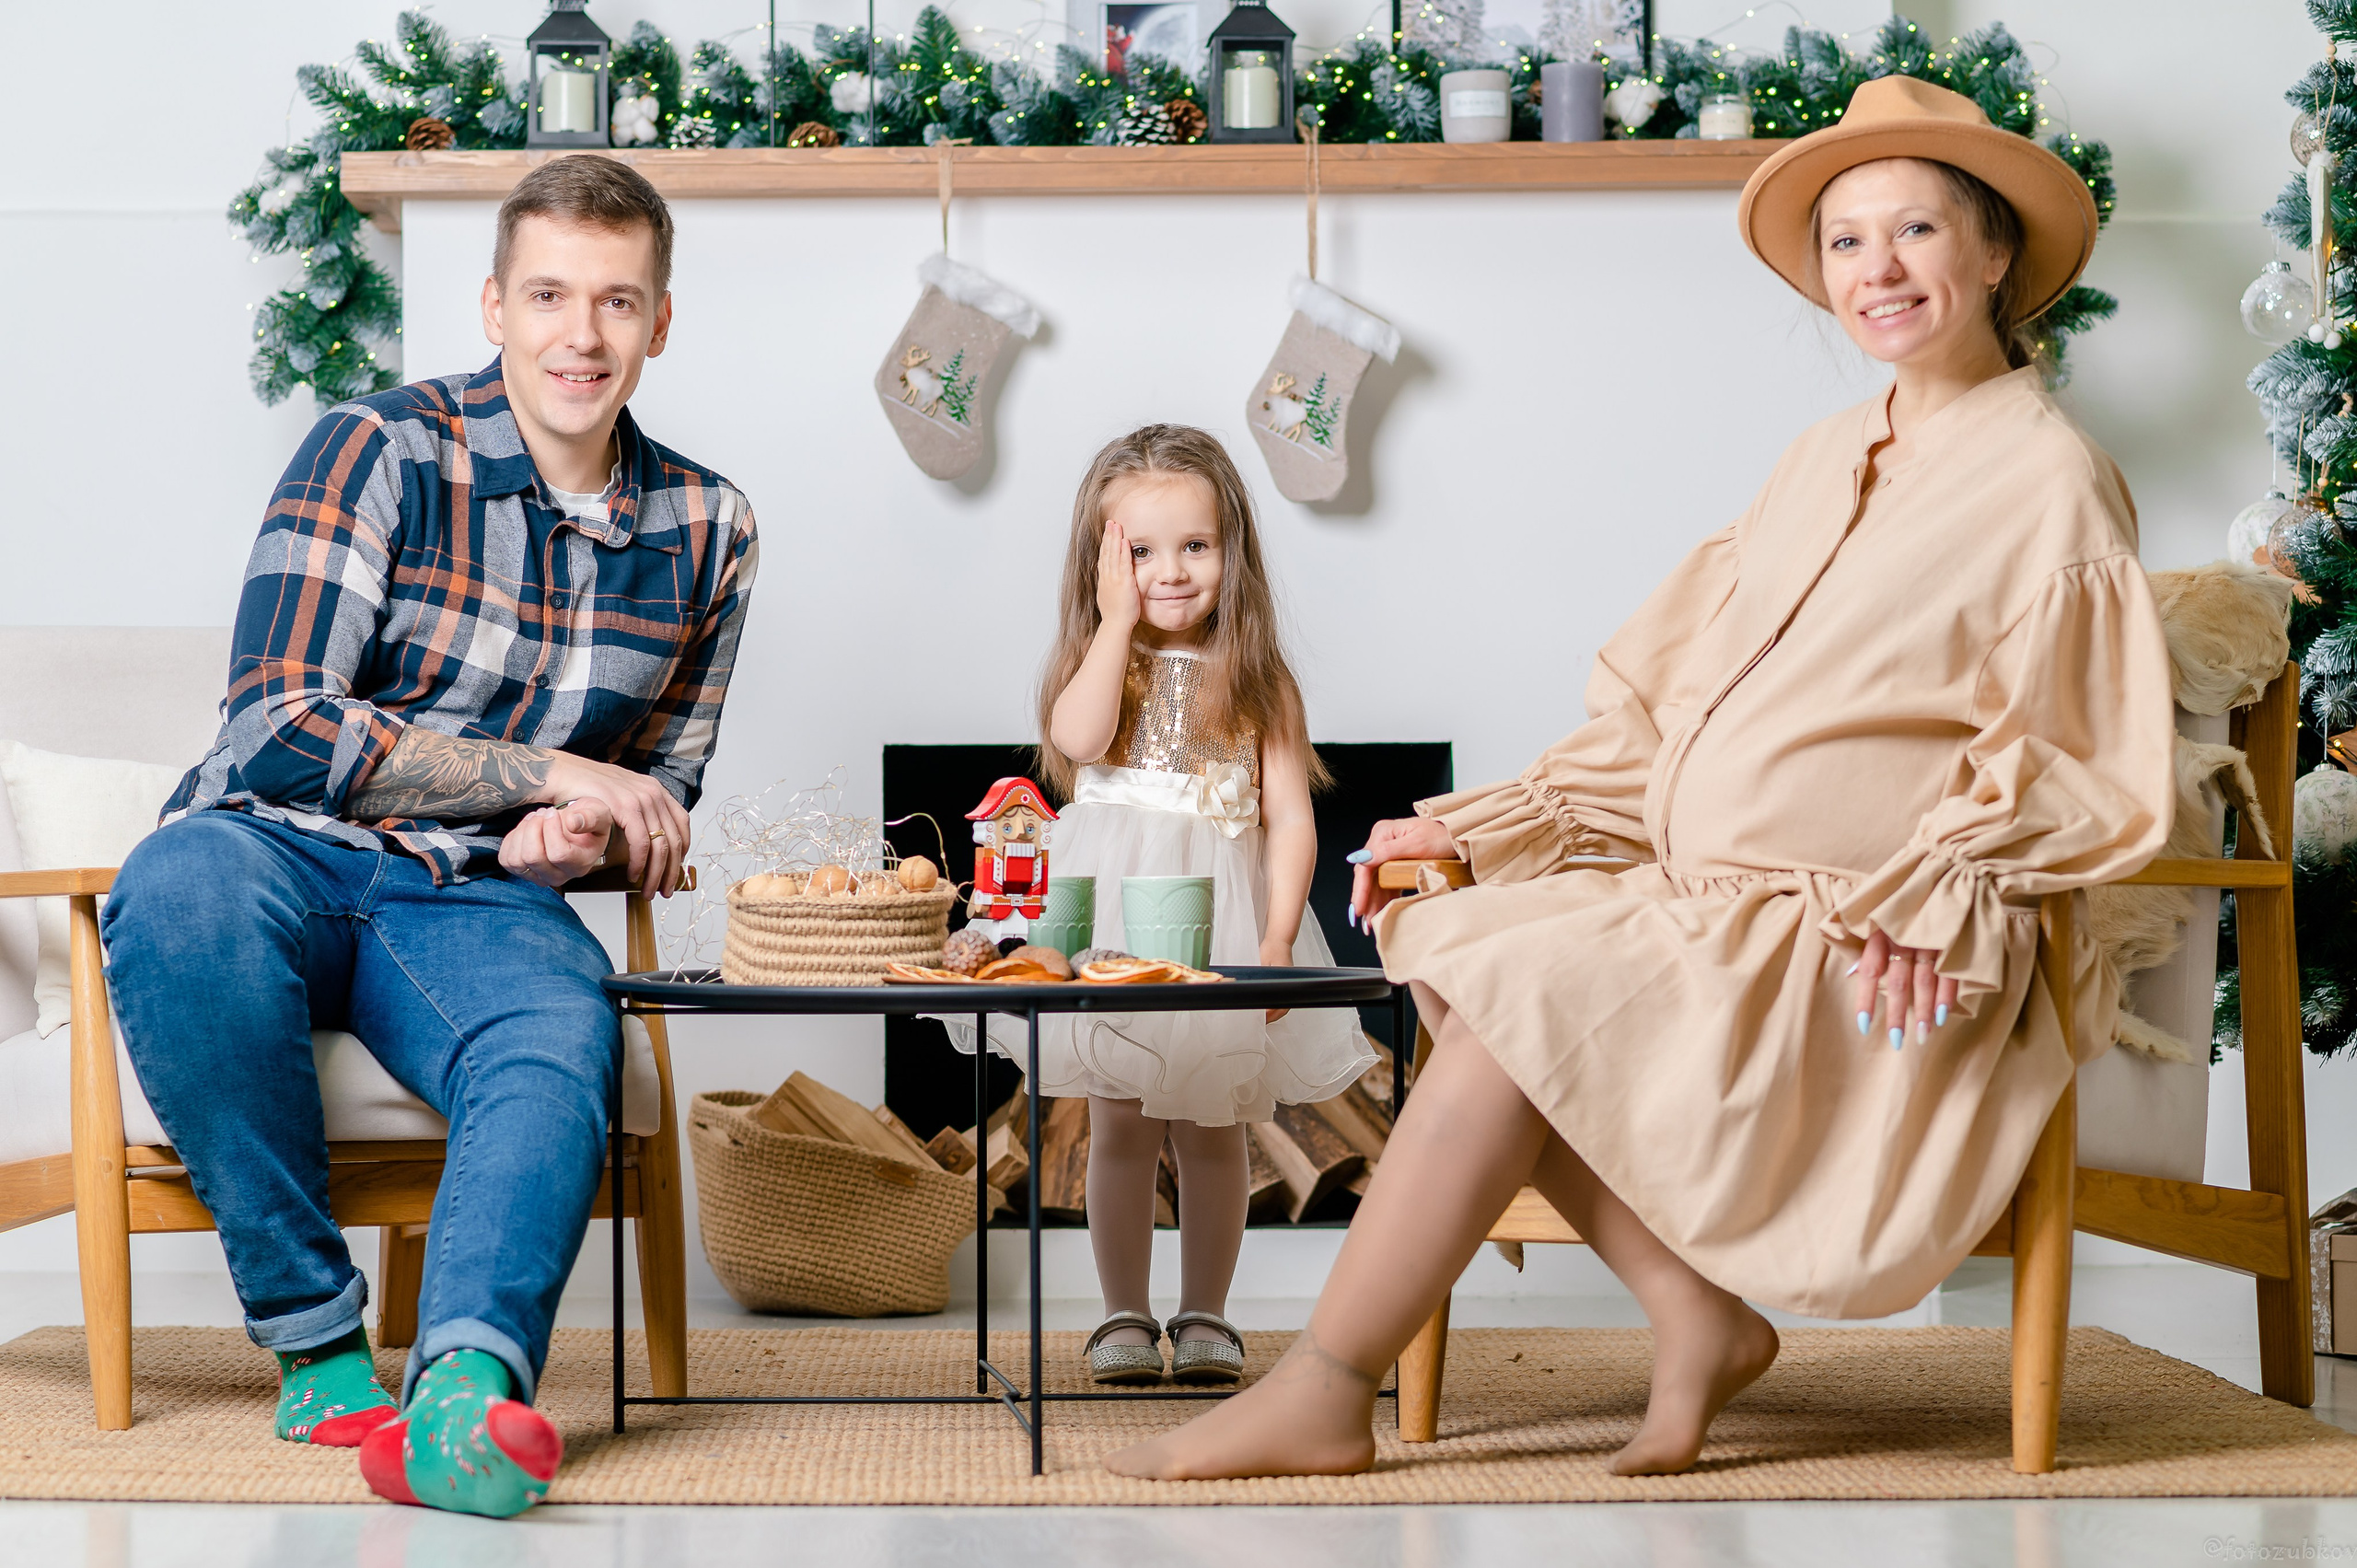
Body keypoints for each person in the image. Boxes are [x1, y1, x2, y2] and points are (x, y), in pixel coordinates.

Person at [1104, 75, 2175, 1481]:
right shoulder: (1822, 457)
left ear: (1992, 259)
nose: (1880, 268)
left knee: (1515, 994)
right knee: (1459, 939)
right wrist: (1486, 821)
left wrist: (1953, 879)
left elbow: (2079, 745)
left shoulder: (2049, 478)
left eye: (1917, 230)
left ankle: (1329, 1379)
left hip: (1865, 931)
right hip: (1710, 893)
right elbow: (1681, 699)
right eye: (1847, 242)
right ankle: (1689, 1309)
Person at [100, 155, 758, 1516]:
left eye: (619, 301)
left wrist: (579, 830)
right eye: (552, 295)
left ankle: (465, 1386)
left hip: (476, 901)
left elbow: (660, 792)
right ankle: (319, 1343)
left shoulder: (710, 527)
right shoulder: (379, 446)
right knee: (176, 882)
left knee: (561, 1023)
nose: (584, 335)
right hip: (276, 850)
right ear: (495, 307)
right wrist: (554, 765)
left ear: (662, 322)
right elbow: (278, 722)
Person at [955, 425, 1370, 1386]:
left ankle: (1208, 1313)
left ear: (1234, 552)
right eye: (1140, 552)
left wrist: (1273, 937)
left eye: (1196, 545)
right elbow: (1077, 734)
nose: (1171, 572)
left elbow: (1292, 821)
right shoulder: (1099, 664)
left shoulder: (1262, 680)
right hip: (1112, 917)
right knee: (1120, 1121)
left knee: (1213, 1124)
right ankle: (1123, 1314)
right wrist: (1111, 623)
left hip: (1220, 916)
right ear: (1102, 561)